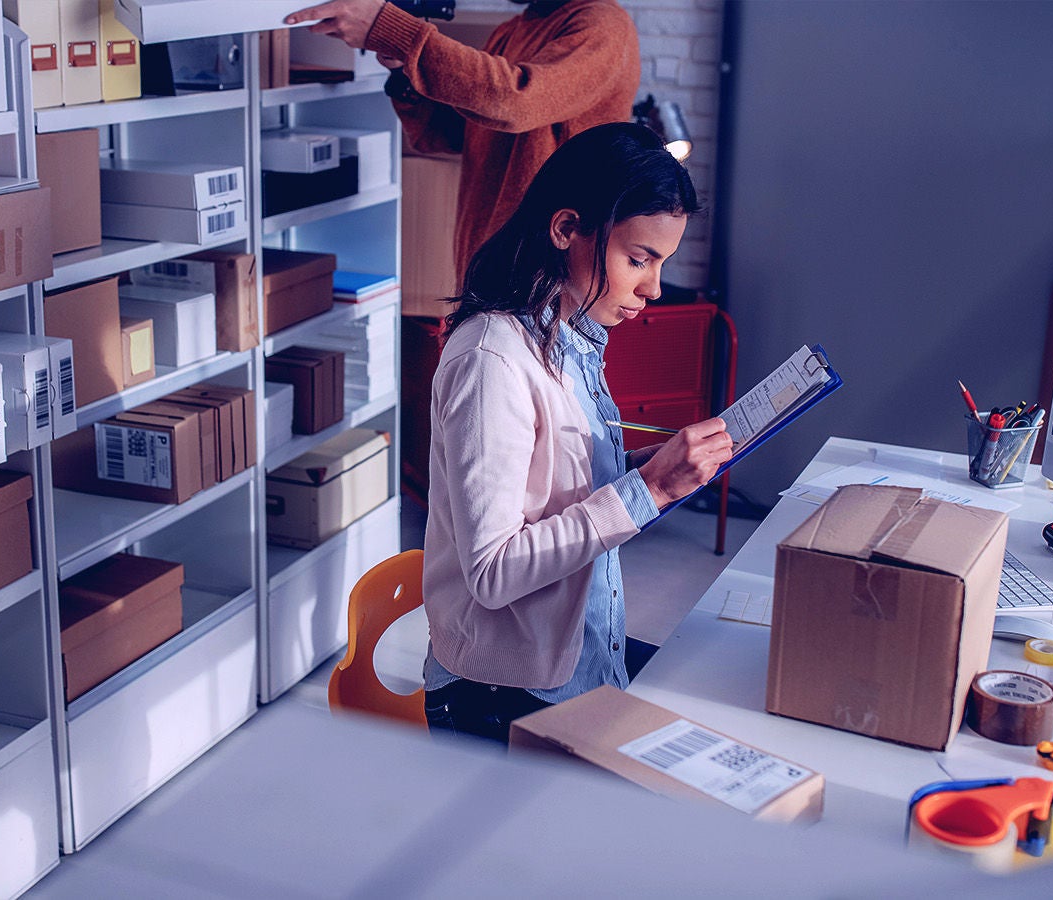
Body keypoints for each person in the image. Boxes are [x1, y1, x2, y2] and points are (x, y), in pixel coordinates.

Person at [414, 122, 732, 744]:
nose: (653, 288)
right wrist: (651, 491)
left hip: (579, 654)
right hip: (501, 694)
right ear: (565, 230)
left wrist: (652, 468)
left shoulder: (569, 337)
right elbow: (494, 571)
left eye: (660, 263)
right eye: (638, 260)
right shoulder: (491, 360)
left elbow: (556, 478)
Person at [284, 0, 640, 279]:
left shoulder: (603, 25)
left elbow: (516, 100)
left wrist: (396, 33)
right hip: (485, 263)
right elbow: (451, 133)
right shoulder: (512, 31)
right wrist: (402, 70)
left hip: (547, 278)